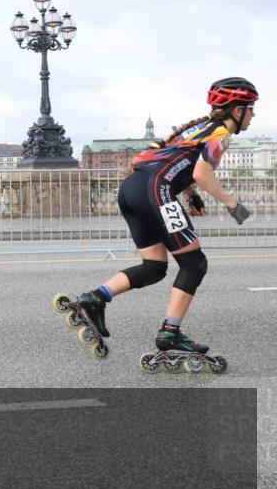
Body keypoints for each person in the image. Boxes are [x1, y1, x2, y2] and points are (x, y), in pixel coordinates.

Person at [70, 77, 257, 371]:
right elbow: (203, 172)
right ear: (237, 110)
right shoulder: (220, 133)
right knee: (194, 263)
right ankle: (170, 333)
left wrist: (192, 194)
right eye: (251, 108)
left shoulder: (197, 128)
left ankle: (94, 298)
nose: (253, 115)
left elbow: (177, 163)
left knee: (155, 266)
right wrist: (232, 202)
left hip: (132, 189)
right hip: (156, 190)